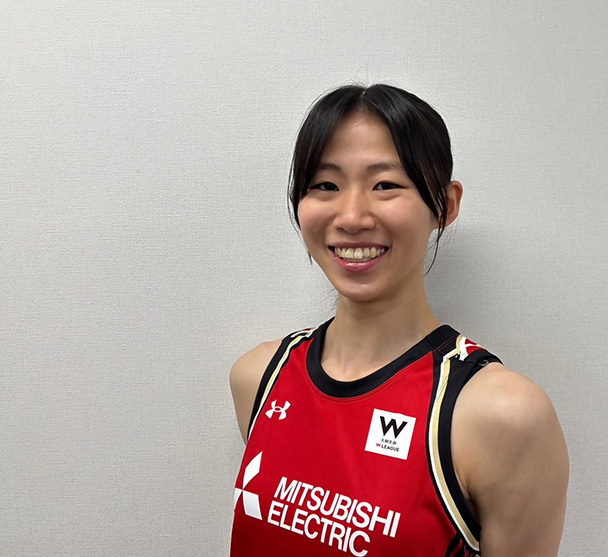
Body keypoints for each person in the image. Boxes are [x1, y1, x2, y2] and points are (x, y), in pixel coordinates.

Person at [229, 84, 569, 556]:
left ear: (445, 205)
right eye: (325, 185)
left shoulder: (502, 414)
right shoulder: (259, 378)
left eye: (385, 185)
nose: (352, 217)